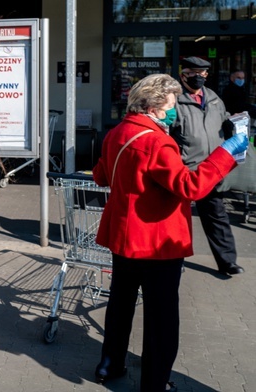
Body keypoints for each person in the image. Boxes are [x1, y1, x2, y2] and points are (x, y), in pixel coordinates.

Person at [92, 73, 248, 391]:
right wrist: (227, 153)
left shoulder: (117, 133)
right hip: (157, 241)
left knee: (120, 304)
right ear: (155, 104)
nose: (175, 107)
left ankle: (110, 364)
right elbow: (189, 186)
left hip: (123, 238)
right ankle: (155, 382)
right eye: (172, 102)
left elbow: (100, 176)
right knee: (162, 318)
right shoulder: (157, 141)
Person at [170, 56, 245, 276]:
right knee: (177, 218)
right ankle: (174, 259)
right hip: (184, 169)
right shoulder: (174, 101)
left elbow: (222, 120)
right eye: (193, 73)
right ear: (183, 74)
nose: (199, 78)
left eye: (202, 74)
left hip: (211, 169)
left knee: (216, 216)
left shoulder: (213, 98)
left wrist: (234, 120)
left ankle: (227, 261)